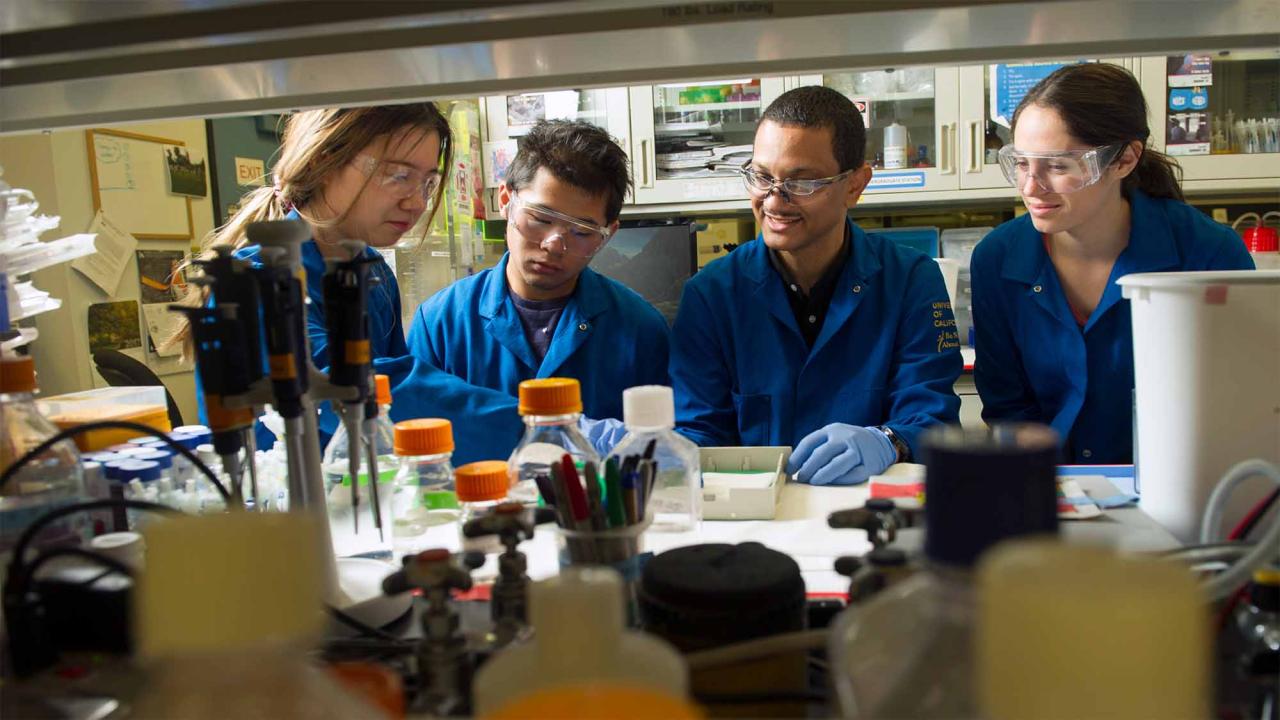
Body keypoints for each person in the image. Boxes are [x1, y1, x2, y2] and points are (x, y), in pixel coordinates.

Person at [670, 86, 962, 486]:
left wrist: (887, 441)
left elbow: (935, 419)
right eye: (761, 176)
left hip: (870, 514)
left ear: (855, 185)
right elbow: (699, 430)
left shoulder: (910, 280)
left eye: (801, 183)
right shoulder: (712, 295)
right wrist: (667, 453)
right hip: (757, 521)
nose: (774, 201)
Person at [971, 63, 1254, 464]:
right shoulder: (997, 259)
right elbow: (1008, 409)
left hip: (1180, 481)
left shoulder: (1208, 254)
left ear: (1124, 160)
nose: (1031, 187)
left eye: (1057, 165)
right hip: (1050, 489)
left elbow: (1239, 397)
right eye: (1020, 163)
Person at [187, 103, 459, 448]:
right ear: (324, 161)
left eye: (428, 183)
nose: (417, 203)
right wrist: (522, 421)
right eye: (399, 176)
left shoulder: (375, 275)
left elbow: (391, 403)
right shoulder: (255, 284)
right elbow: (357, 386)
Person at [407, 119, 670, 454]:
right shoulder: (441, 323)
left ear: (609, 234)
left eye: (582, 231)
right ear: (505, 199)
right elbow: (415, 452)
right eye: (540, 218)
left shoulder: (641, 330)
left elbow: (660, 459)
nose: (554, 244)